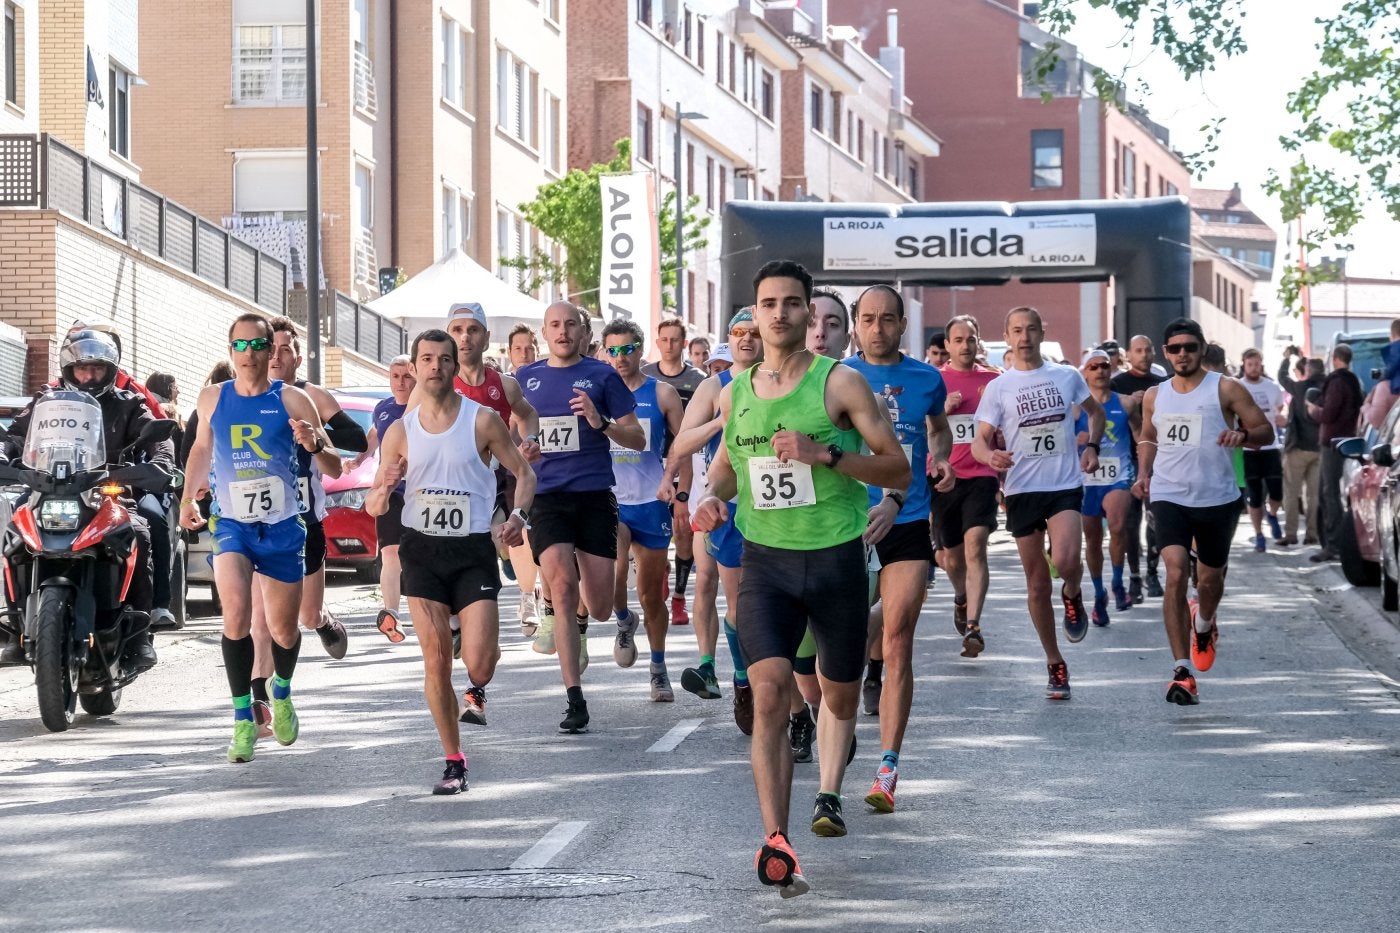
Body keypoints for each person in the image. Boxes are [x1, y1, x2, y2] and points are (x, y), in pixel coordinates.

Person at [692, 259, 909, 897]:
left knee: (839, 697)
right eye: (768, 304)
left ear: (807, 313)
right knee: (768, 693)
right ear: (754, 314)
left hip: (837, 559)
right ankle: (776, 840)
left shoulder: (839, 386)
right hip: (766, 562)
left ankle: (831, 790)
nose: (780, 314)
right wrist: (713, 499)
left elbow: (897, 469)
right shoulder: (734, 395)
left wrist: (826, 455)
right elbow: (733, 469)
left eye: (792, 303)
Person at [366, 329, 535, 794]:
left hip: (472, 552)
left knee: (481, 663)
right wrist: (385, 485)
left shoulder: (481, 422)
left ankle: (476, 676)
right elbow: (374, 507)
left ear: (453, 367)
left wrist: (518, 516)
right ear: (416, 368)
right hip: (423, 552)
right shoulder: (400, 430)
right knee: (436, 662)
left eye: (444, 359)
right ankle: (454, 760)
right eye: (427, 359)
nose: (436, 366)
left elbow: (523, 473)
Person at [179, 313, 332, 763]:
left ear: (271, 351)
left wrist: (314, 444)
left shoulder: (293, 399)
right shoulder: (212, 398)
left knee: (285, 631)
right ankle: (243, 719)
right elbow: (202, 448)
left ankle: (280, 691)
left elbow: (335, 467)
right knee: (236, 617)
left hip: (284, 527)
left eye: (257, 346)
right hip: (232, 525)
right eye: (239, 346)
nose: (248, 354)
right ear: (231, 352)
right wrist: (190, 497)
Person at [0, 330, 173, 671]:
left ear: (109, 370)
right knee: (15, 534)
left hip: (108, 492)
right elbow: (17, 435)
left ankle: (140, 637)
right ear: (69, 369)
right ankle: (16, 629)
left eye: (96, 368)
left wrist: (161, 461)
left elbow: (157, 439)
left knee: (137, 532)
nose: (89, 375)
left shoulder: (129, 403)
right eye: (82, 369)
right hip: (49, 488)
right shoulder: (48, 399)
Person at [844, 285, 954, 815]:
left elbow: (938, 431)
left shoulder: (926, 379)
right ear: (855, 325)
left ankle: (888, 765)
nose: (878, 328)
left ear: (902, 323)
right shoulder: (835, 377)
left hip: (907, 516)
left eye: (888, 319)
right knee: (840, 638)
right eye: (868, 319)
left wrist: (941, 459)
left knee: (898, 637)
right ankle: (836, 719)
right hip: (843, 517)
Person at [518, 302, 645, 733]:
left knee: (601, 606)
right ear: (544, 332)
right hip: (546, 496)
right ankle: (575, 698)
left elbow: (638, 437)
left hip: (593, 495)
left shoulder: (603, 375)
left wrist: (601, 422)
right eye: (554, 324)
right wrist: (524, 452)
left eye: (570, 323)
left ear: (583, 332)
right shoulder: (526, 378)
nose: (562, 331)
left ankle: (616, 619)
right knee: (562, 584)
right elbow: (510, 436)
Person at [1132, 319, 1272, 704]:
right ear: (1166, 352)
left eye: (1189, 347)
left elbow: (1266, 431)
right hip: (1168, 495)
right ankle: (1181, 671)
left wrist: (1242, 435)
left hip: (1217, 499)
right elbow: (1148, 435)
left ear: (1201, 348)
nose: (1182, 354)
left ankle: (1204, 622)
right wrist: (1144, 473)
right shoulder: (1155, 395)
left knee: (1208, 583)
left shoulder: (1225, 387)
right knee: (1175, 571)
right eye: (1174, 348)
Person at [971, 307, 1105, 700]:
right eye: (1017, 330)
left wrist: (1092, 445)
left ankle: (1073, 594)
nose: (1025, 336)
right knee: (1036, 584)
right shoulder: (999, 386)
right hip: (1022, 490)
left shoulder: (1066, 376)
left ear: (1042, 332)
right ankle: (1054, 662)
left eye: (1031, 329)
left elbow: (1094, 415)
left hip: (1063, 483)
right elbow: (980, 440)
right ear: (1007, 337)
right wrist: (989, 457)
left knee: (1066, 561)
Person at [659, 314, 762, 734]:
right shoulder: (713, 386)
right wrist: (722, 420)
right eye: (739, 333)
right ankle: (743, 680)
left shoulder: (792, 378)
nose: (748, 340)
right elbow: (681, 443)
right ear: (728, 341)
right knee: (738, 603)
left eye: (755, 333)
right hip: (731, 507)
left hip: (786, 506)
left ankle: (796, 684)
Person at [445, 303, 542, 634]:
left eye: (472, 330)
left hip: (497, 476)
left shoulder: (504, 384)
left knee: (517, 533)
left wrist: (530, 439)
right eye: (457, 330)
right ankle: (458, 617)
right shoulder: (435, 384)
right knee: (464, 550)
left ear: (486, 338)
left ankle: (528, 596)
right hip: (452, 484)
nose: (465, 337)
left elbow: (527, 413)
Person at [605, 319, 688, 702]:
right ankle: (623, 620)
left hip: (651, 501)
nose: (621, 357)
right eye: (613, 350)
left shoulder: (664, 393)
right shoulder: (598, 392)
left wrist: (680, 491)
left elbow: (684, 445)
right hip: (612, 500)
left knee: (651, 594)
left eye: (627, 349)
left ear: (641, 349)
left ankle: (658, 668)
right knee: (617, 570)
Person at [934, 314, 1001, 658]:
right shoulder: (934, 380)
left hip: (981, 477)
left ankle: (974, 625)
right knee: (952, 559)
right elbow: (915, 426)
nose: (964, 345)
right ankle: (961, 596)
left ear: (978, 342)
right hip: (945, 478)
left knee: (976, 546)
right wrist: (943, 411)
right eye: (957, 339)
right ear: (947, 346)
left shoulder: (994, 380)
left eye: (970, 339)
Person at [641, 317, 707, 628]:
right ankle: (661, 570)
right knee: (655, 528)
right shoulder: (645, 376)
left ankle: (679, 596)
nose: (668, 345)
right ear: (657, 342)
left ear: (683, 343)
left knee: (683, 527)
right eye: (663, 340)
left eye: (674, 340)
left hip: (684, 460)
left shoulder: (698, 380)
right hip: (649, 464)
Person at [348, 355, 416, 640]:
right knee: (389, 554)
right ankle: (392, 614)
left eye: (406, 376)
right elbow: (374, 435)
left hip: (421, 492)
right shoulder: (383, 408)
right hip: (390, 491)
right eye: (395, 376)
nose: (400, 382)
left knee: (414, 556)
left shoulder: (425, 407)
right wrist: (360, 458)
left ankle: (428, 609)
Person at [1076, 349, 1140, 624]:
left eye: (1104, 365)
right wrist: (1075, 438)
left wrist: (1148, 470)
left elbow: (1141, 435)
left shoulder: (1125, 404)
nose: (1100, 370)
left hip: (1118, 475)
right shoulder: (1075, 408)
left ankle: (1116, 581)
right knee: (1091, 538)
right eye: (1093, 366)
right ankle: (1099, 591)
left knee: (1116, 526)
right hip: (1087, 479)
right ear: (1084, 373)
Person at [1111, 335, 1166, 603]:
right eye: (1138, 351)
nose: (1144, 355)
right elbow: (1104, 412)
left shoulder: (1163, 384)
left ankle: (1153, 573)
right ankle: (1134, 576)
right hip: (1128, 460)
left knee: (1154, 519)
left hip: (1159, 457)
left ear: (1154, 353)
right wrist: (1126, 401)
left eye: (1148, 350)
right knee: (1130, 522)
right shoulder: (1117, 384)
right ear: (1128, 356)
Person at [1310, 343, 1364, 563]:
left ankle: (1333, 544)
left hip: (1333, 442)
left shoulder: (1337, 382)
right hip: (1346, 439)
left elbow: (1329, 413)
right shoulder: (1353, 381)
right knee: (1333, 493)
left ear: (1335, 358)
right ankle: (1337, 542)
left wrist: (1314, 411)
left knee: (1329, 492)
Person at [1238, 348, 1287, 552]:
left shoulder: (1272, 387)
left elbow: (1280, 408)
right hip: (1249, 448)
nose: (1254, 368)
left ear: (1262, 365)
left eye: (1257, 364)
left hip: (1270, 446)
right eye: (1250, 364)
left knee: (1277, 491)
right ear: (1244, 365)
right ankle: (1259, 534)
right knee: (1255, 495)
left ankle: (1273, 514)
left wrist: (1280, 417)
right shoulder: (1238, 387)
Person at [1277, 349, 1324, 546]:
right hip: (1320, 448)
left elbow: (1282, 377)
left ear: (1307, 370)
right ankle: (1312, 534)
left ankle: (1291, 534)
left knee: (1291, 492)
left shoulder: (1299, 387)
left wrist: (1288, 358)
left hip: (1297, 448)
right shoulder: (1328, 388)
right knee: (1313, 496)